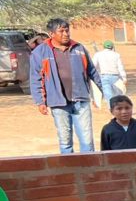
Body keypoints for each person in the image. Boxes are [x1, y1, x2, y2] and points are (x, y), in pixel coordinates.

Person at [29, 17, 104, 154]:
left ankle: (88, 171)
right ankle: (69, 171)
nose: (66, 34)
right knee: (65, 140)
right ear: (52, 34)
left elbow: (92, 71)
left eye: (67, 30)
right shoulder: (40, 52)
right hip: (58, 102)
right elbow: (35, 78)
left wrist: (101, 91)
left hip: (81, 99)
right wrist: (40, 101)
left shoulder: (79, 48)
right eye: (61, 31)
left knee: (87, 139)